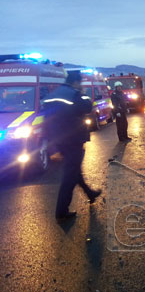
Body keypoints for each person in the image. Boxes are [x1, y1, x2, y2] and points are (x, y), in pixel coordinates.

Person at [43, 70, 101, 221]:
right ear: (76, 82)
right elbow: (87, 107)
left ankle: (89, 193)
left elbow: (47, 120)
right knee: (69, 175)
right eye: (80, 82)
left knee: (74, 169)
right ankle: (61, 211)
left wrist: (51, 145)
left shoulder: (53, 94)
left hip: (59, 140)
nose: (80, 84)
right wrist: (82, 93)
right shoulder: (74, 94)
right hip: (73, 139)